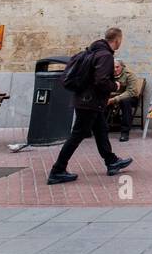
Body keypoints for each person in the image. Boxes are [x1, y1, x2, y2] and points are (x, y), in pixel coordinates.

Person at [48, 27, 132, 185]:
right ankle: (57, 170)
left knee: (101, 130)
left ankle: (111, 161)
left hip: (87, 100)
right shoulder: (105, 55)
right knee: (77, 135)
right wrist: (115, 85)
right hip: (90, 102)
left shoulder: (91, 51)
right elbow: (101, 81)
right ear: (118, 40)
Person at [108, 58, 140, 142]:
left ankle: (125, 132)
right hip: (114, 97)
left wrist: (114, 99)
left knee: (125, 102)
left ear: (122, 66)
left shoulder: (129, 75)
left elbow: (130, 92)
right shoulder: (108, 74)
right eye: (113, 67)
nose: (115, 69)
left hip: (130, 98)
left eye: (117, 67)